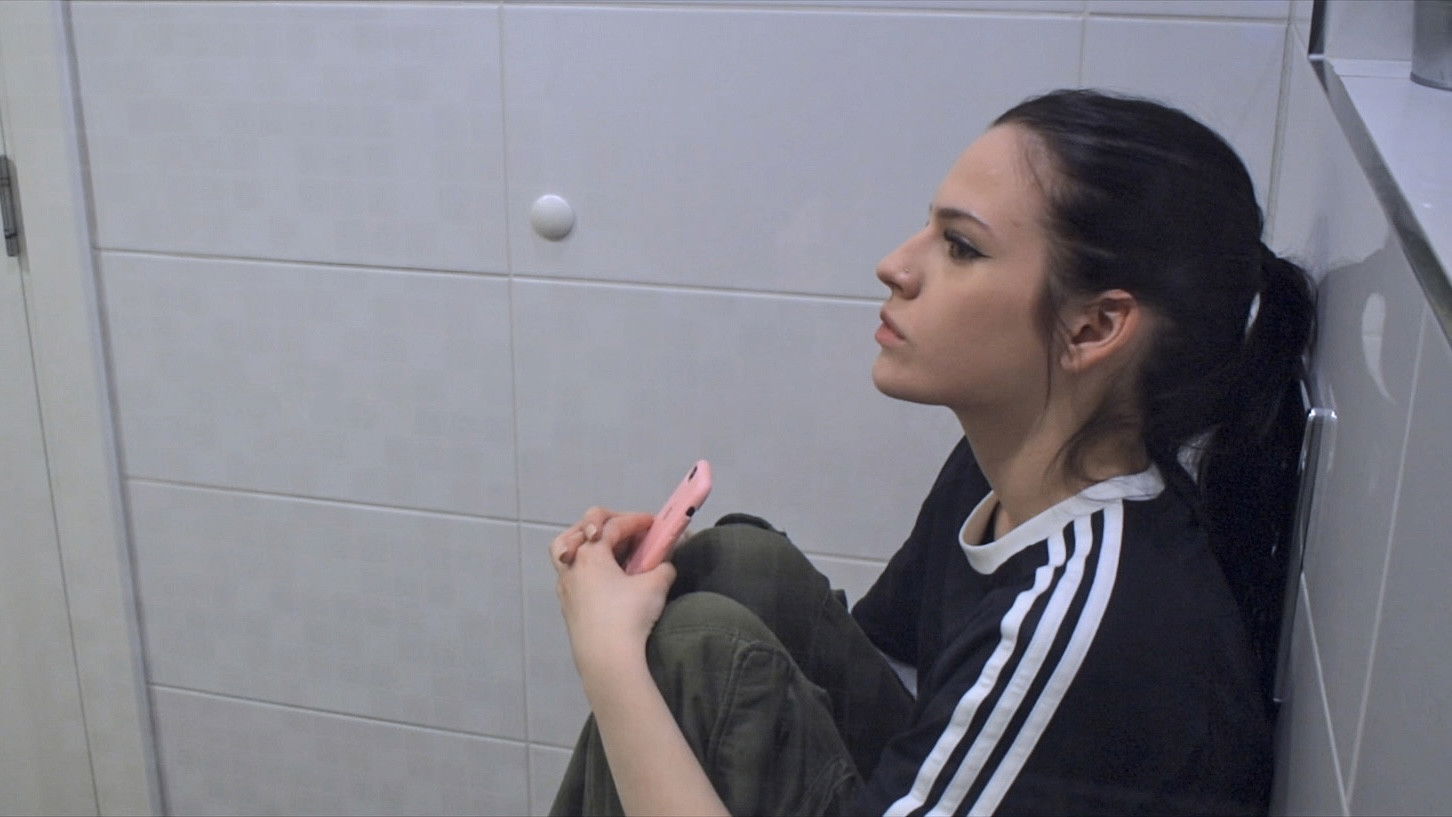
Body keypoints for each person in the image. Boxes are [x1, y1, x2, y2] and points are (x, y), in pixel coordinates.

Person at [546, 89, 1315, 816]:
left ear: (1093, 327)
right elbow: (901, 673)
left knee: (697, 648)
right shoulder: (1001, 471)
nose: (896, 265)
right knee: (735, 568)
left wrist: (609, 655)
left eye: (960, 246)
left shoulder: (1079, 616)